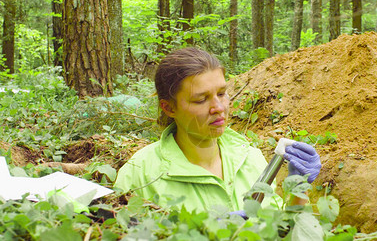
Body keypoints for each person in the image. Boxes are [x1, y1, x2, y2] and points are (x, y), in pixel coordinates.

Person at [114, 47, 322, 214]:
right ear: (169, 108)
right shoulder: (139, 173)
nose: (219, 108)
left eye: (222, 94)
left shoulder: (250, 159)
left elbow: (281, 233)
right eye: (201, 99)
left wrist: (298, 189)